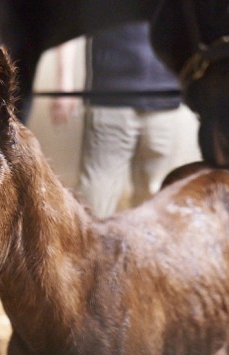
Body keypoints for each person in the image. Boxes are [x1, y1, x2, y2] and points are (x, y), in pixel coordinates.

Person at [51, 22, 183, 218]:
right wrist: (64, 84)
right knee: (94, 205)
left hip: (166, 101)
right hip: (110, 98)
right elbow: (66, 19)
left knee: (154, 205)